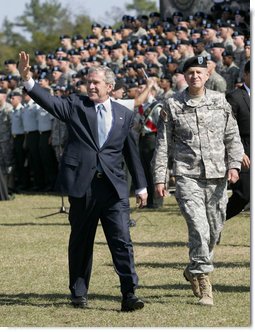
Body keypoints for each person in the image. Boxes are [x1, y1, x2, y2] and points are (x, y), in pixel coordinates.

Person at [18, 51, 148, 312]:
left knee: (121, 240)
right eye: (88, 81)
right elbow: (50, 102)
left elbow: (131, 152)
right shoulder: (76, 105)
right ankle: (78, 293)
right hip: (83, 186)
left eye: (95, 82)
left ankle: (129, 293)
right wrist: (27, 79)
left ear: (109, 87)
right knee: (81, 240)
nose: (90, 86)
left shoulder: (124, 114)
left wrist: (142, 186)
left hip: (113, 188)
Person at [152, 56, 244, 306]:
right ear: (184, 76)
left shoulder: (219, 101)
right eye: (190, 72)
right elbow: (163, 145)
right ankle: (205, 283)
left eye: (199, 72)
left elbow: (232, 136)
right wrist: (160, 177)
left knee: (215, 229)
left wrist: (234, 165)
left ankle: (193, 268)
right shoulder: (172, 105)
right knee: (198, 227)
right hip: (186, 175)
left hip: (216, 176)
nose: (195, 76)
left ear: (207, 75)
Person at [225, 61, 250, 220]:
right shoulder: (234, 97)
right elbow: (228, 129)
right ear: (246, 75)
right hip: (244, 153)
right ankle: (216, 222)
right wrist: (238, 153)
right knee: (244, 195)